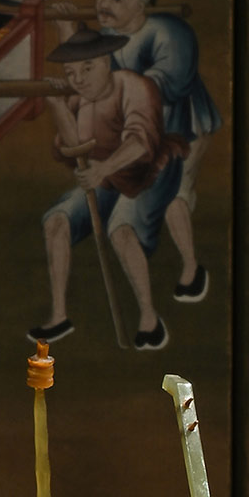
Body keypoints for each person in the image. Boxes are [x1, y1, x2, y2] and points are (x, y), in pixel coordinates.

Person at [34, 24, 184, 351]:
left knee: (121, 230)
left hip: (150, 173)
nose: (79, 79)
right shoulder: (79, 99)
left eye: (87, 68)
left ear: (105, 62)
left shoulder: (134, 86)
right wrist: (59, 108)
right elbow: (73, 148)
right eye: (71, 73)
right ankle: (59, 315)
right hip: (105, 179)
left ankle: (149, 319)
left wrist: (102, 168)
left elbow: (140, 142)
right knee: (56, 222)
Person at [93, 0, 219, 303]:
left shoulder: (170, 32)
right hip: (142, 129)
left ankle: (191, 268)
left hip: (184, 125)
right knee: (152, 195)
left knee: (177, 193)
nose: (104, 4)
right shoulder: (105, 37)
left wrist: (118, 95)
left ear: (141, 6)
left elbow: (167, 84)